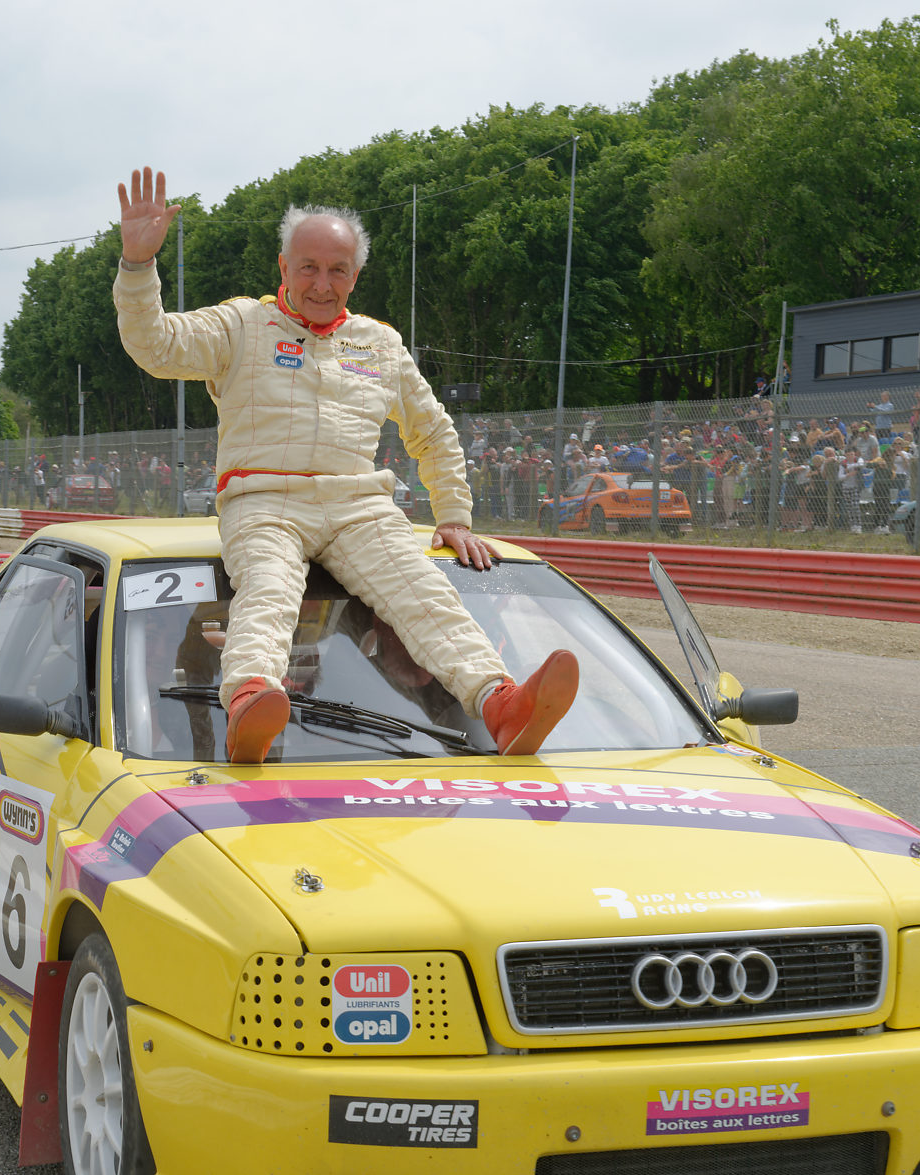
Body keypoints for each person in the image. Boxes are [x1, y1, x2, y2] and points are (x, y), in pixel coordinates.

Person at [112, 166, 578, 764]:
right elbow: (153, 343)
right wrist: (137, 264)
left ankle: (500, 705)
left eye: (337, 270)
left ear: (355, 277)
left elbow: (432, 430)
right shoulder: (240, 325)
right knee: (268, 589)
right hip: (263, 502)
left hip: (359, 506)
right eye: (308, 266)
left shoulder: (380, 342)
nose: (322, 283)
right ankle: (251, 701)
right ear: (283, 268)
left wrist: (454, 514)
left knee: (423, 591)